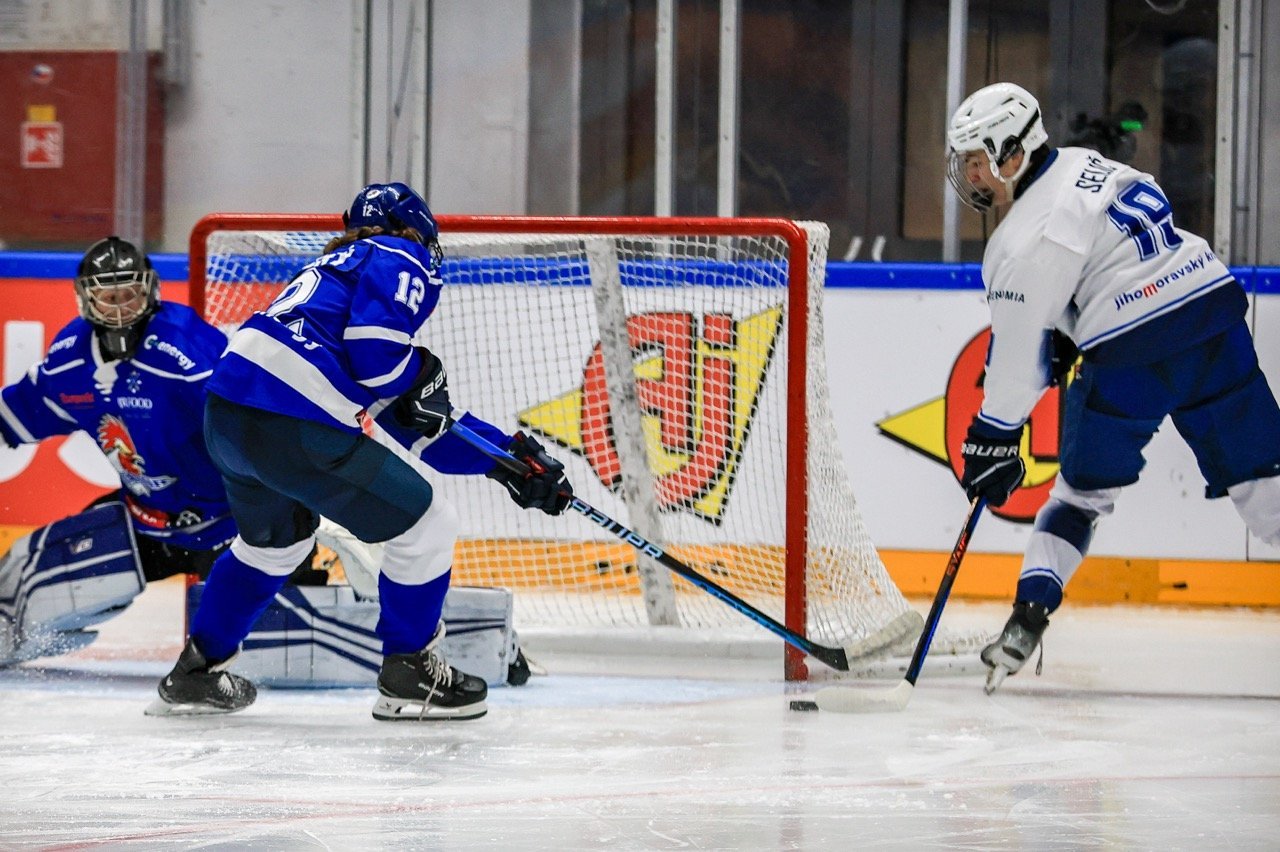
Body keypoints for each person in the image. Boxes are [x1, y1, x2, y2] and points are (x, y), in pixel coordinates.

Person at [149, 182, 573, 721]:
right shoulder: (401, 253)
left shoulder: (332, 273)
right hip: (293, 420)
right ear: (417, 231)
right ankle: (410, 671)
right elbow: (377, 360)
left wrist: (508, 461)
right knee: (429, 526)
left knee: (272, 548)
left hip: (227, 416)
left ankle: (195, 672)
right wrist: (421, 372)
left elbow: (418, 425)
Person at [945, 83, 1280, 694]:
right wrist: (1070, 328)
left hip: (1132, 355)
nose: (969, 175)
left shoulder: (1019, 242)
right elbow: (1110, 257)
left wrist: (993, 437)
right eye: (963, 161)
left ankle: (1026, 620)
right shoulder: (1089, 164)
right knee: (1265, 485)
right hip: (1211, 315)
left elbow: (1018, 366)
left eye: (976, 159)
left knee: (1080, 498)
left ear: (1012, 153)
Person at [0, 237, 239, 664]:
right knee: (25, 583)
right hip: (145, 525)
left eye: (128, 294)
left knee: (270, 642)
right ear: (85, 299)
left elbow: (252, 431)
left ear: (149, 291)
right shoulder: (71, 360)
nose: (119, 308)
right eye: (108, 297)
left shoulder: (185, 349)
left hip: (230, 525)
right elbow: (19, 412)